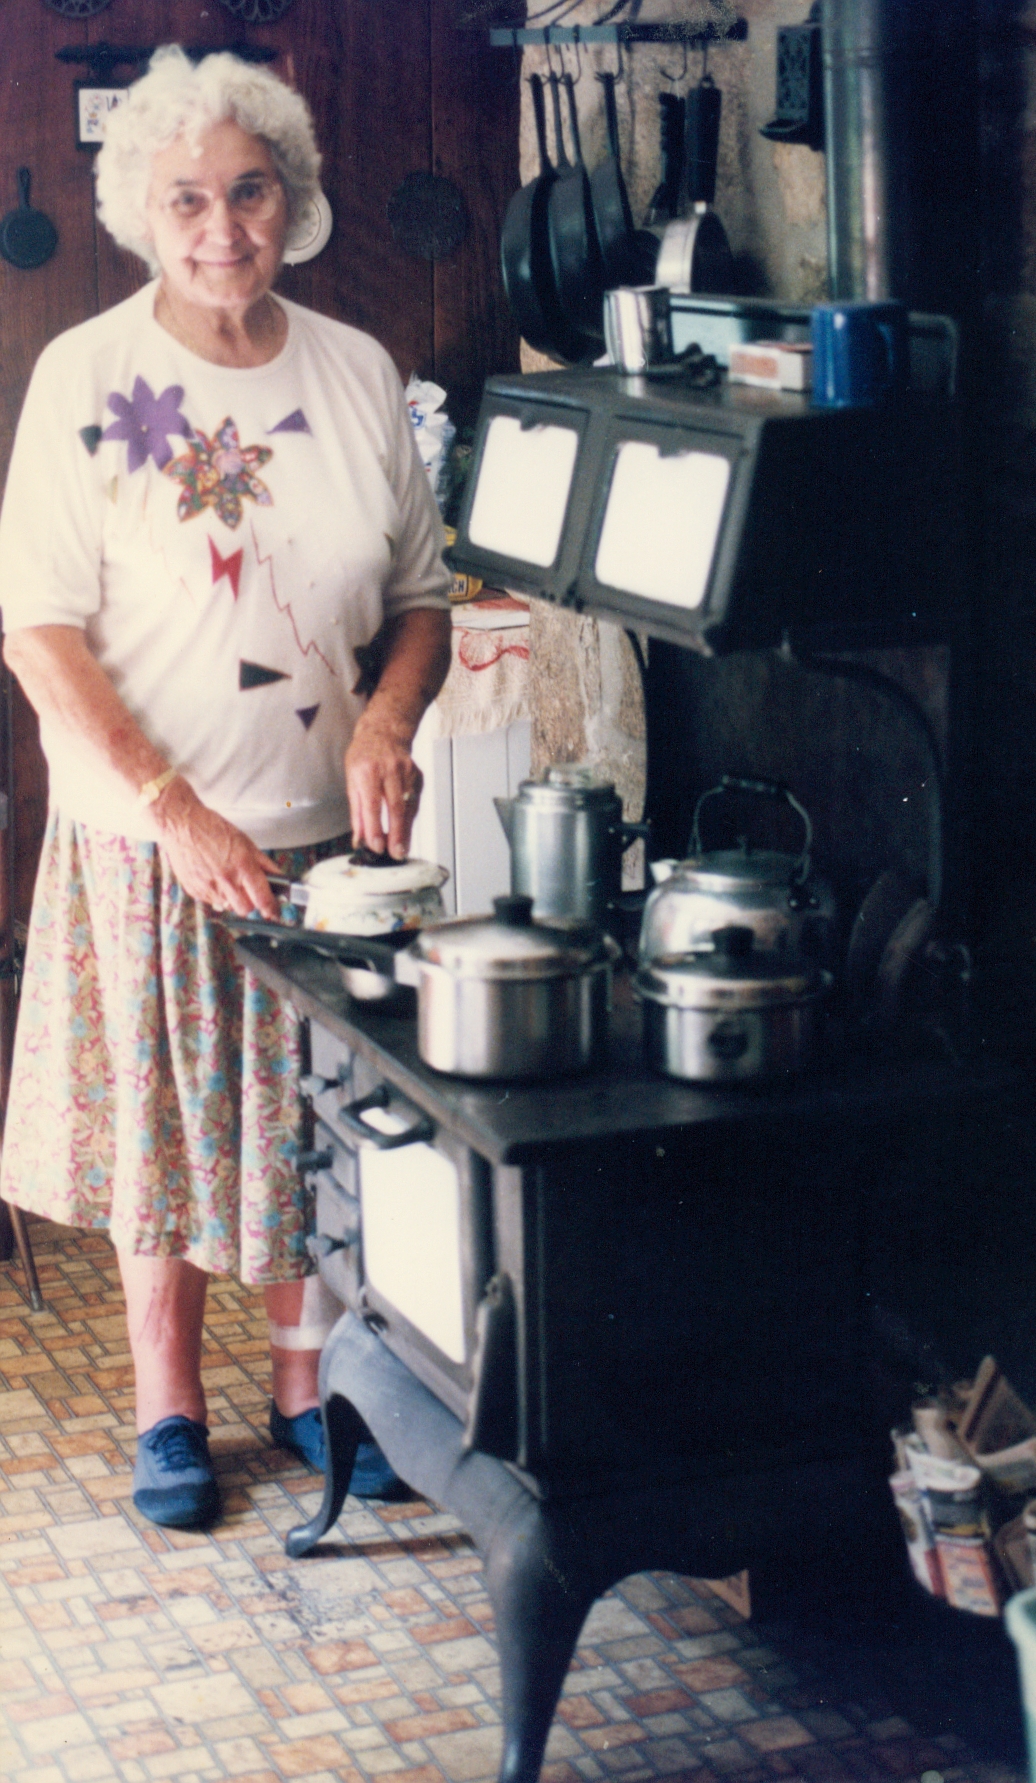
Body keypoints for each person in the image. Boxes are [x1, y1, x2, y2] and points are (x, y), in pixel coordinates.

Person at [0, 46, 453, 1528]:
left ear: (292, 199)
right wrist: (169, 801)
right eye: (187, 198)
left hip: (329, 834)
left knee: (312, 1121)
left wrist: (388, 720)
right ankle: (169, 1412)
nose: (221, 230)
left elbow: (420, 599)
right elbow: (38, 630)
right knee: (170, 1123)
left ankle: (313, 1391)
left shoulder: (357, 370)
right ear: (141, 207)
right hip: (148, 836)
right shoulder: (89, 376)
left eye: (248, 192)